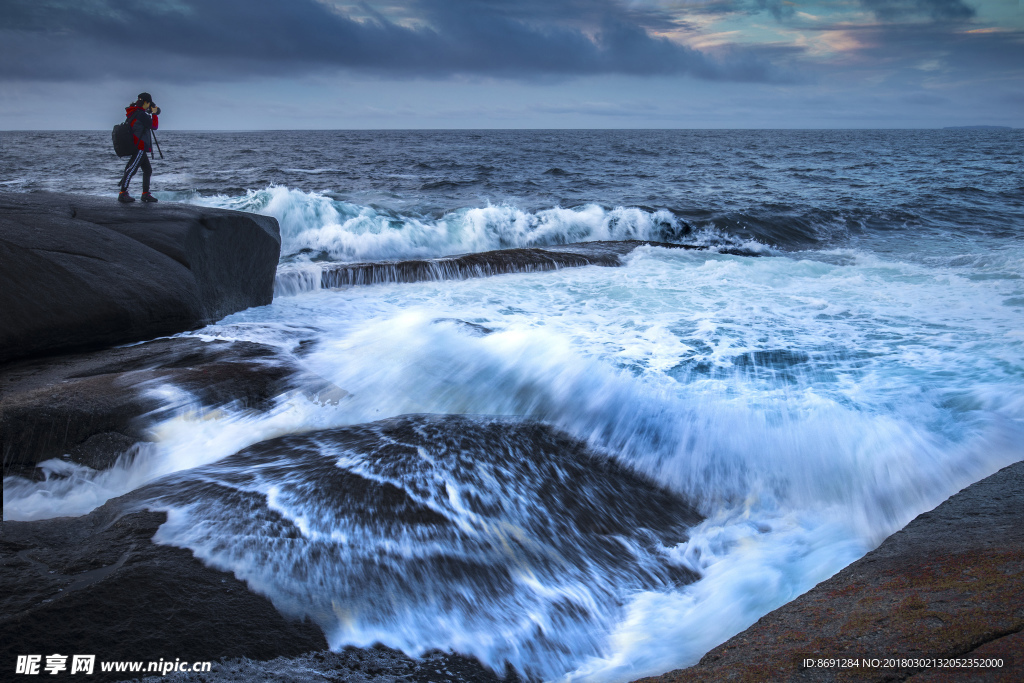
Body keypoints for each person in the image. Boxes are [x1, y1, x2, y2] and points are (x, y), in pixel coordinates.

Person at [118, 93, 161, 203]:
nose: (149, 106)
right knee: (132, 169)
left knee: (147, 170)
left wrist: (150, 112)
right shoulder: (141, 114)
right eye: (149, 103)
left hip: (136, 145)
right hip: (140, 146)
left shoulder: (135, 112)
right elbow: (154, 126)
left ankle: (145, 194)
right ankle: (123, 193)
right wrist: (155, 114)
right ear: (146, 102)